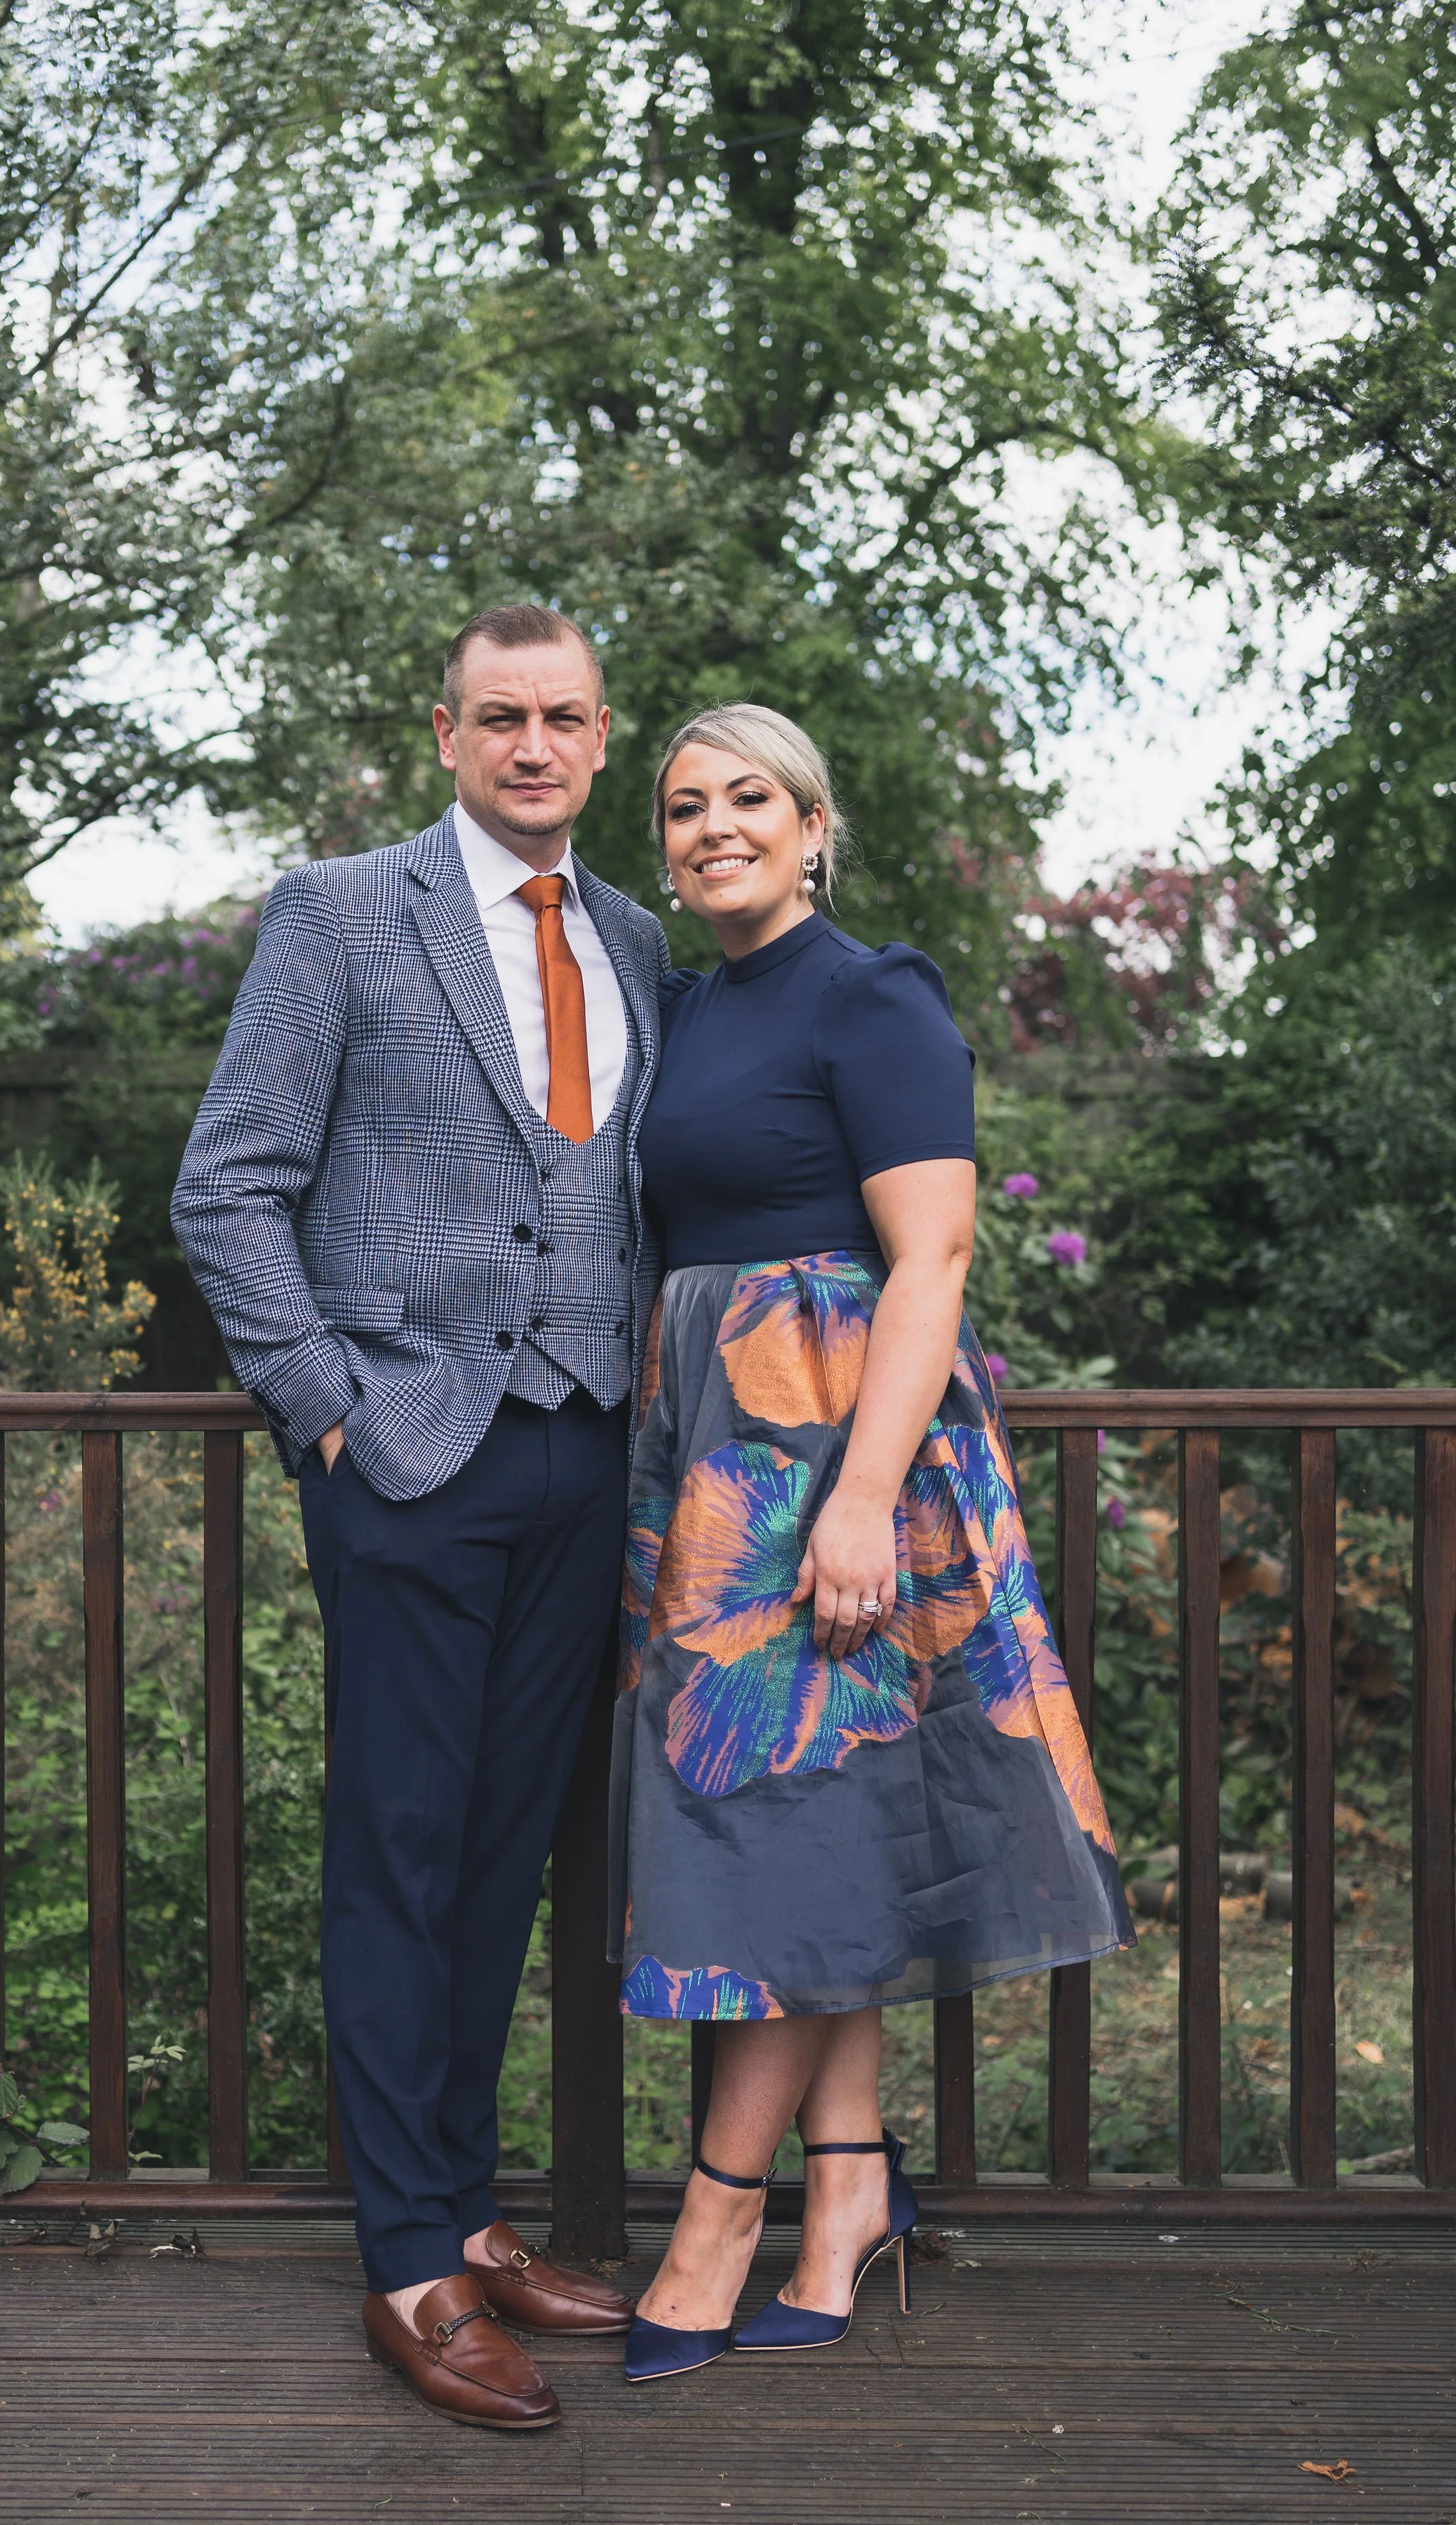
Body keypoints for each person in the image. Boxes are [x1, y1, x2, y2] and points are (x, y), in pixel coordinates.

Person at [173, 604, 663, 2431]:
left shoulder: (631, 938)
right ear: (446, 735)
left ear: (600, 738)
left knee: (505, 1857)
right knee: (399, 1852)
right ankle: (404, 2265)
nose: (533, 746)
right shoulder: (339, 913)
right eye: (500, 716)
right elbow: (228, 1188)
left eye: (564, 717)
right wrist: (327, 1411)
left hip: (581, 1450)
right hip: (407, 1452)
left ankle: (463, 2212)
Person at [611, 703, 1134, 2383]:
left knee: (767, 1823)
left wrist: (854, 1493)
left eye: (748, 798)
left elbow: (935, 1257)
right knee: (802, 1829)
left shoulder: (874, 993)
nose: (713, 827)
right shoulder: (684, 1007)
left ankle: (717, 2222)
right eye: (683, 807)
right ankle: (847, 2188)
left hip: (837, 1447)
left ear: (814, 824)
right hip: (715, 1450)